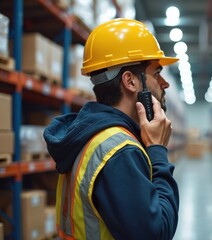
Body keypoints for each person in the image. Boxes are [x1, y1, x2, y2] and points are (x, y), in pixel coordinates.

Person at [43, 18, 180, 240]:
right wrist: (158, 153)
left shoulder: (91, 135)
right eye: (156, 73)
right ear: (131, 81)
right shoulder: (118, 151)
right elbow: (157, 234)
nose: (165, 83)